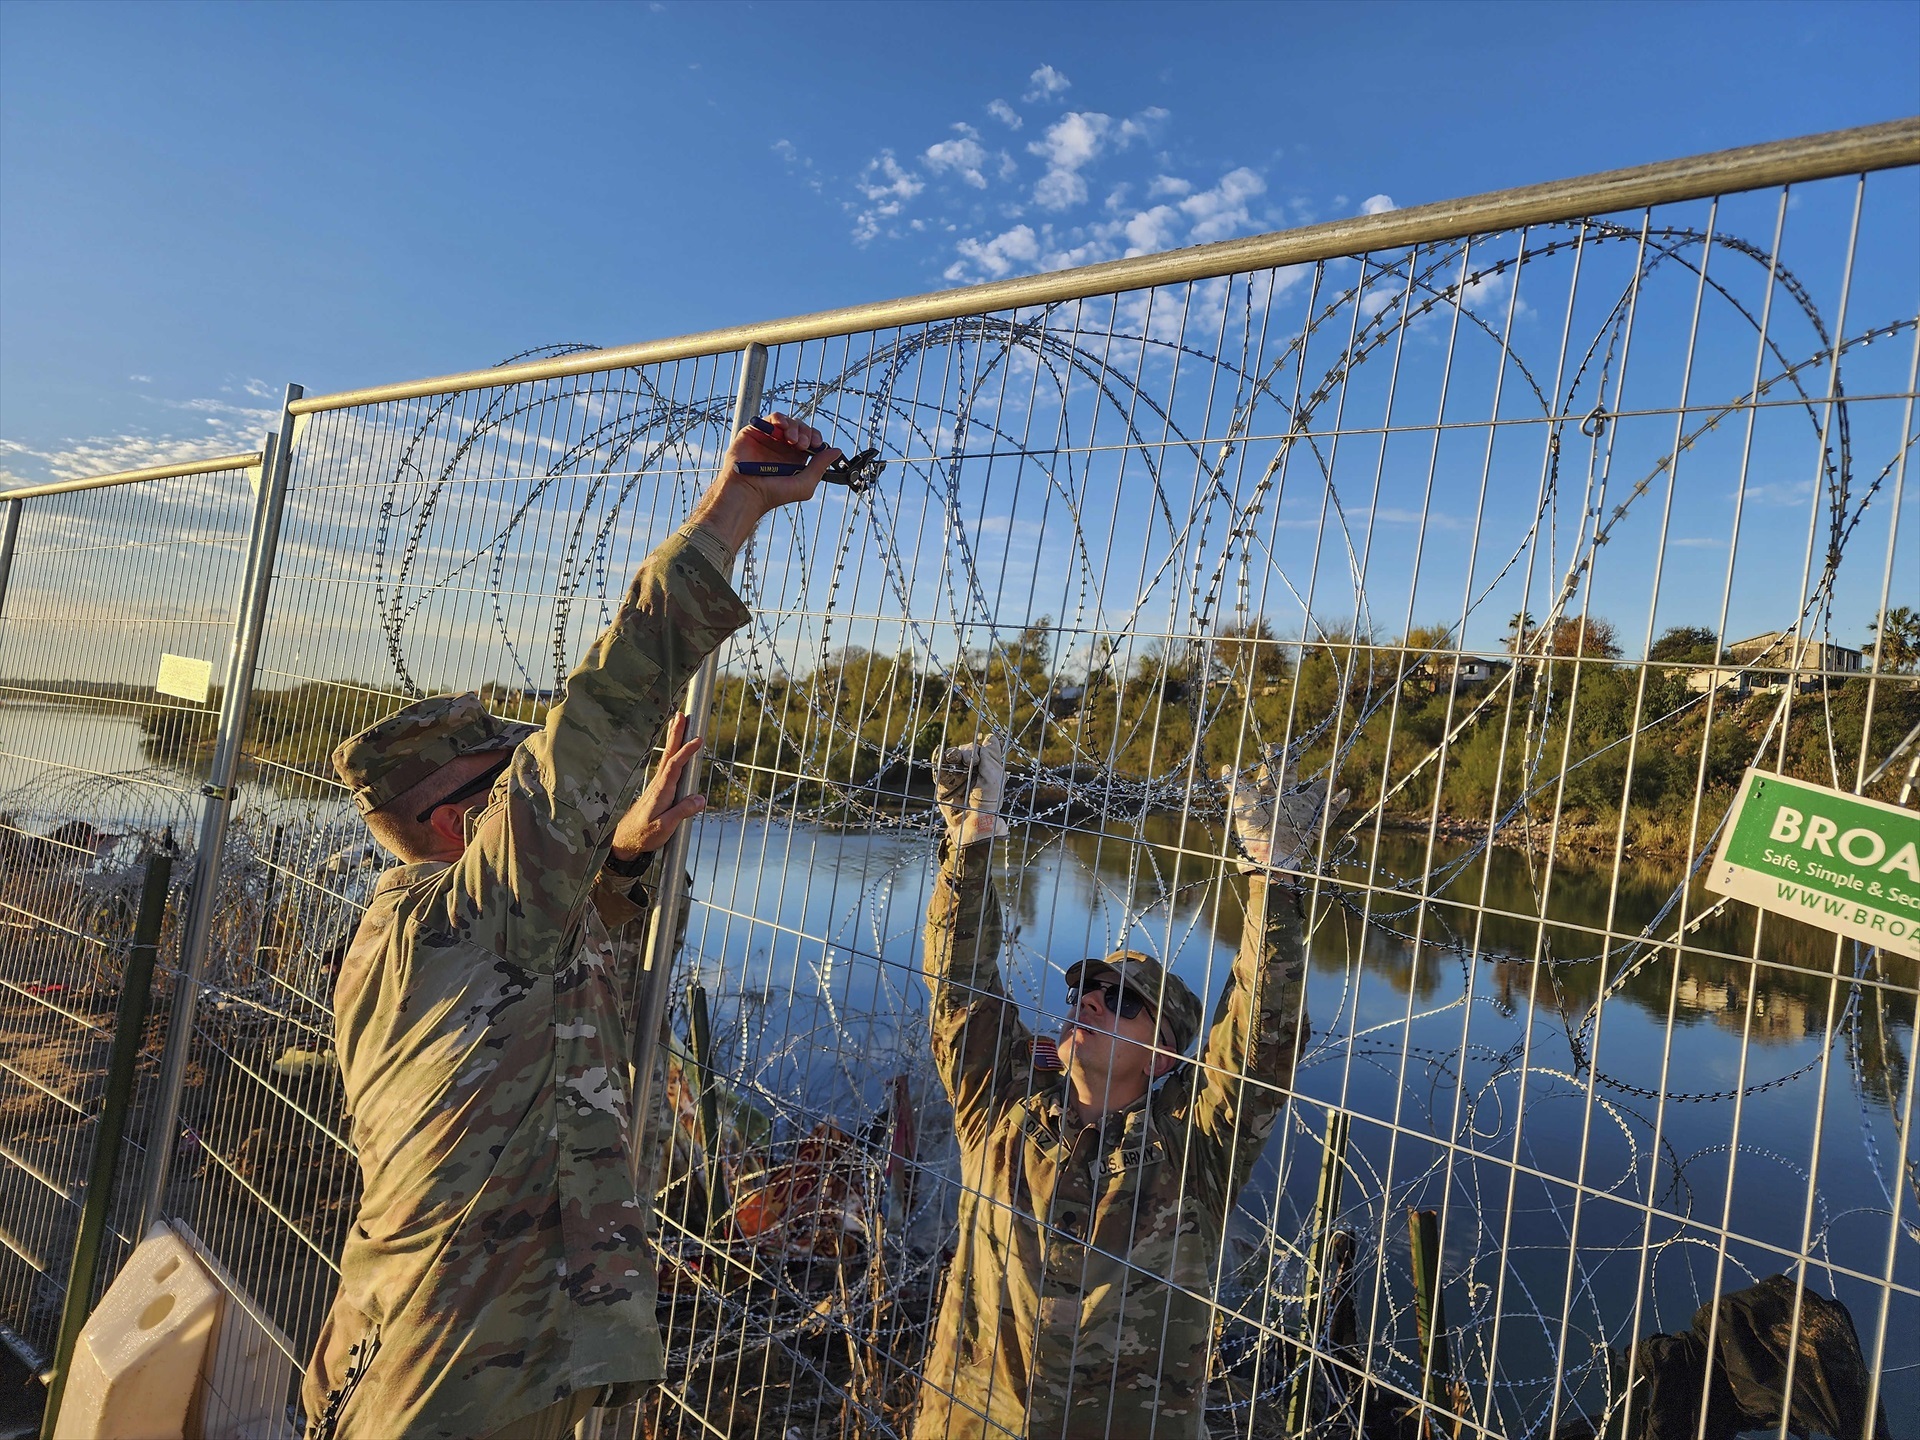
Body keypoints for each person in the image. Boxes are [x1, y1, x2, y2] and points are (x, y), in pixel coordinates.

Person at [299, 416, 841, 1440]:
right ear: (463, 825)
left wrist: (625, 854)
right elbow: (603, 706)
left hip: (423, 1348)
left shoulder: (424, 926)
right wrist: (737, 506)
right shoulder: (475, 910)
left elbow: (532, 987)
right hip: (459, 1380)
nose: (538, 798)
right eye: (513, 786)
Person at [913, 738, 1346, 1440]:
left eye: (1120, 1002)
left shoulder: (1192, 1153)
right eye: (1086, 988)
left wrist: (1275, 876)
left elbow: (1261, 1044)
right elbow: (959, 995)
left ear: (1163, 1054)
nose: (1088, 1001)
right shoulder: (1001, 1108)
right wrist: (971, 840)